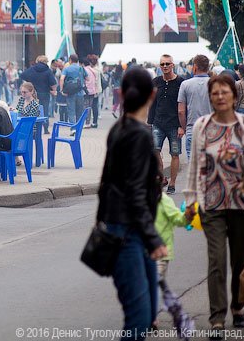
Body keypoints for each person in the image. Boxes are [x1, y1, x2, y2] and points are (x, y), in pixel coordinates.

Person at [184, 73, 244, 333]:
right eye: (215, 93)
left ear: (234, 95)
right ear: (210, 96)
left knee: (239, 261)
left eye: (225, 92)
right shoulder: (201, 126)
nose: (220, 97)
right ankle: (217, 317)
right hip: (212, 206)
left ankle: (237, 306)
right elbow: (194, 164)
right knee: (217, 261)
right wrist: (190, 200)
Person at [96, 66, 168, 339]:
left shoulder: (121, 128)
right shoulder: (138, 133)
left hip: (126, 230)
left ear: (122, 93)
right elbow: (134, 191)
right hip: (129, 233)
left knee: (147, 313)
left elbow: (106, 183)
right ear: (152, 94)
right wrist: (153, 239)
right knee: (138, 320)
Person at [155, 191, 194, 336]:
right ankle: (150, 317)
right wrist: (188, 217)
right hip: (160, 252)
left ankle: (150, 316)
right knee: (153, 284)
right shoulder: (163, 199)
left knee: (148, 284)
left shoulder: (139, 197)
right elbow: (179, 219)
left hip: (151, 252)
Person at [148, 54, 184, 195]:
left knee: (175, 154)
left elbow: (183, 106)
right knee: (155, 151)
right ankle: (162, 178)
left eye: (167, 64)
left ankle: (173, 184)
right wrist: (149, 123)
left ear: (172, 65)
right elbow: (152, 103)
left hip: (174, 126)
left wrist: (182, 125)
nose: (165, 66)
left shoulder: (181, 82)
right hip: (158, 123)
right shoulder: (155, 82)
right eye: (162, 64)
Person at [178, 54, 212, 162]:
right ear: (208, 67)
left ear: (195, 67)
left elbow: (181, 111)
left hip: (192, 129)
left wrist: (184, 127)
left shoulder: (185, 84)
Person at [21, 55, 57, 132]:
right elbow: (53, 83)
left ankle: (34, 128)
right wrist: (53, 90)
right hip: (45, 93)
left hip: (33, 93)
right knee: (45, 110)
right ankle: (46, 128)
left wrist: (30, 82)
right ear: (45, 61)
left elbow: (22, 75)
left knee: (33, 110)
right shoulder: (48, 70)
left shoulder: (32, 69)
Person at [60, 54, 86, 124]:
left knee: (71, 111)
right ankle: (78, 127)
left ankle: (73, 128)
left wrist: (61, 89)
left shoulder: (66, 69)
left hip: (70, 93)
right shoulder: (81, 68)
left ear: (70, 60)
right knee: (79, 111)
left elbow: (62, 79)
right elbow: (87, 78)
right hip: (80, 92)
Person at [84, 55, 103, 128]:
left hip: (93, 90)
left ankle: (89, 121)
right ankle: (95, 122)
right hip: (98, 89)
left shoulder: (91, 70)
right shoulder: (98, 70)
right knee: (95, 106)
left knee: (90, 106)